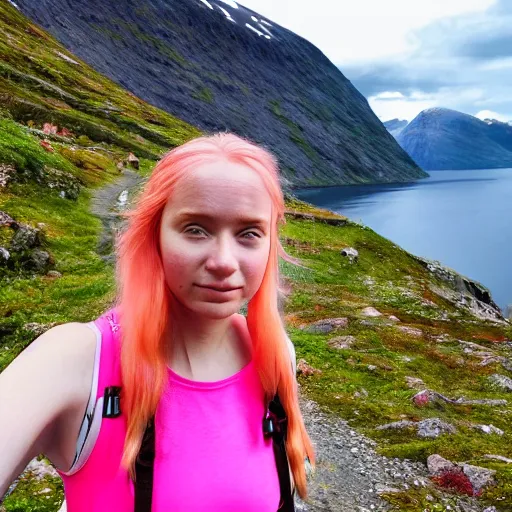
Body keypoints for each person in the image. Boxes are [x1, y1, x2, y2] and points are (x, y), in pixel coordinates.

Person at [0, 133, 315, 511]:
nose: (224, 261)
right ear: (154, 234)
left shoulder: (275, 355)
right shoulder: (77, 361)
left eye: (249, 233)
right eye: (195, 228)